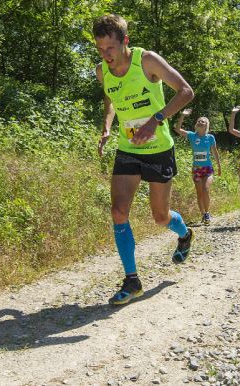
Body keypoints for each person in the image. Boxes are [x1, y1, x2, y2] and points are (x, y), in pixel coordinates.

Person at [93, 14, 195, 305]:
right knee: (118, 211)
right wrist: (107, 127)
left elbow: (186, 91)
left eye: (110, 48)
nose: (106, 55)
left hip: (158, 148)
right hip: (128, 149)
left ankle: (185, 233)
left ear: (125, 41)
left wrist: (155, 120)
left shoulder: (146, 61)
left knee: (160, 217)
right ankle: (132, 279)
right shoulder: (102, 71)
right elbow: (111, 98)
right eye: (100, 49)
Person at [174, 109, 221, 225]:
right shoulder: (192, 136)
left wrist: (219, 166)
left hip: (208, 168)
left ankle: (207, 213)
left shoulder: (210, 138)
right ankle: (203, 214)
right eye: (199, 121)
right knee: (199, 193)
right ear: (196, 125)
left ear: (206, 126)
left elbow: (215, 152)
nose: (200, 123)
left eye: (203, 122)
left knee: (206, 190)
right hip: (196, 169)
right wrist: (183, 115)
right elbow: (178, 130)